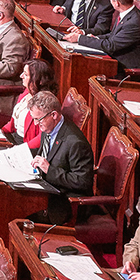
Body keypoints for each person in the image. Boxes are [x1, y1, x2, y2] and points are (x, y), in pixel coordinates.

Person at [29, 92, 93, 225]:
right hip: (48, 191)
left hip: (66, 203)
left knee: (20, 212)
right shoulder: (49, 127)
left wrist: (49, 170)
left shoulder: (75, 143)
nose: (36, 124)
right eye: (34, 119)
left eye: (38, 119)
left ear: (54, 115)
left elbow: (82, 182)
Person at [75, 0, 140, 73]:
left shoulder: (134, 23)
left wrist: (79, 38)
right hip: (116, 60)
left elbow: (110, 46)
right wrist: (95, 38)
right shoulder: (127, 14)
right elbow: (113, 35)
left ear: (116, 3)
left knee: (82, 68)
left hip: (127, 70)